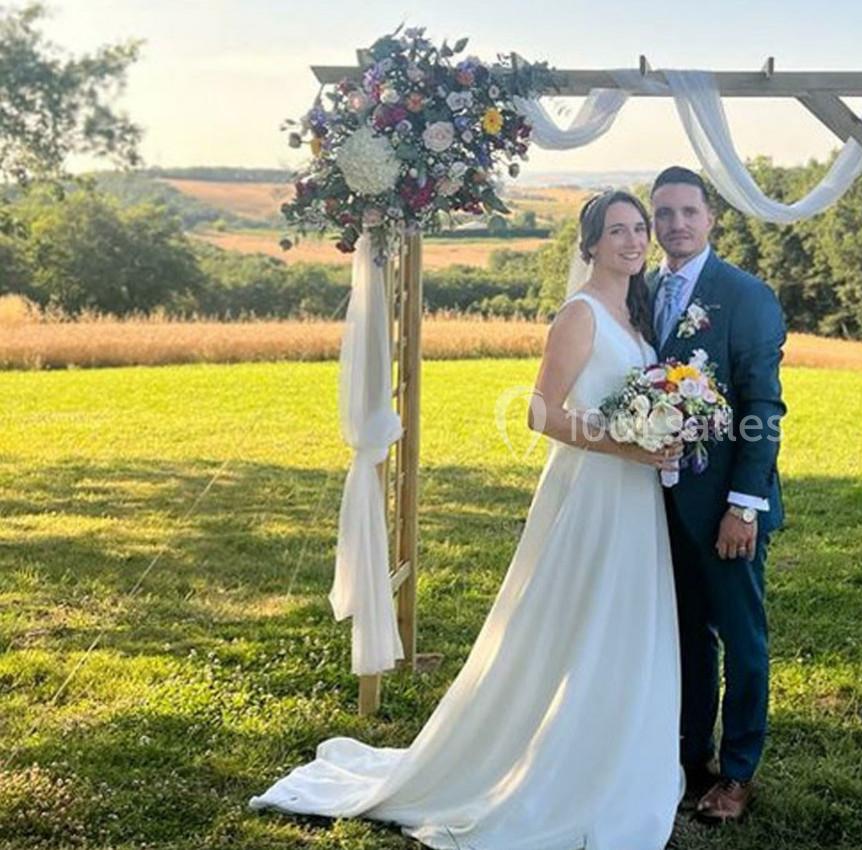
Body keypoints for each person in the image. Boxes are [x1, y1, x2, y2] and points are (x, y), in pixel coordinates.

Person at [250, 190, 684, 850]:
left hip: (634, 493)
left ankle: (613, 751)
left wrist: (661, 433)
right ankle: (548, 763)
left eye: (639, 229)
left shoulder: (635, 315)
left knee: (623, 620)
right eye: (617, 230)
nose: (633, 240)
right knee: (574, 619)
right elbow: (541, 412)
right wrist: (626, 443)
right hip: (594, 488)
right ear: (589, 243)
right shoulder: (581, 314)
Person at [647, 166, 787, 823]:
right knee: (687, 638)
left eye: (687, 212)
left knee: (742, 638)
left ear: (711, 219)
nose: (675, 224)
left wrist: (743, 505)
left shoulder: (745, 295)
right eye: (664, 213)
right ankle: (690, 758)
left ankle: (737, 773)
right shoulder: (645, 289)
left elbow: (763, 407)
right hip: (663, 504)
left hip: (728, 508)